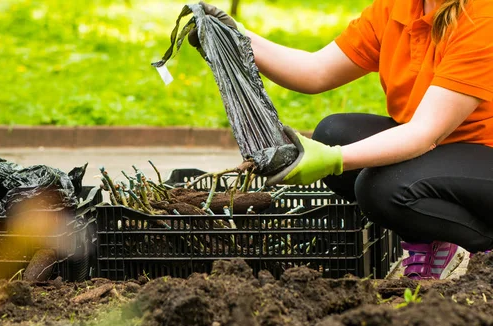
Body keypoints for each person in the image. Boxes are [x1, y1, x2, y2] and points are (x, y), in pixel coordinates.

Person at [189, 0, 493, 280]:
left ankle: (485, 246)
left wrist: (332, 159)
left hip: (483, 155)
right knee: (333, 132)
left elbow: (425, 133)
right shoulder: (399, 8)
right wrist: (238, 37)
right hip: (440, 145)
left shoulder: (481, 16)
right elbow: (316, 71)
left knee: (382, 189)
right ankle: (428, 237)